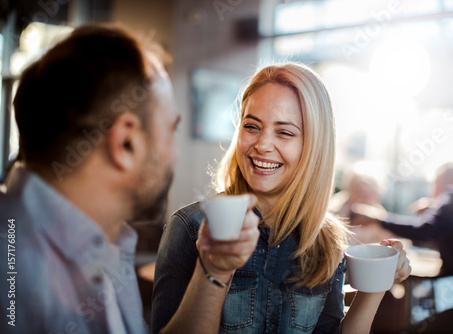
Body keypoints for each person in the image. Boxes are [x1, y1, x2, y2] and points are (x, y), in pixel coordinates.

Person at [0, 24, 260, 334]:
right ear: (126, 143)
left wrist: (214, 268)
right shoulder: (12, 271)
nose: (175, 152)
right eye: (171, 131)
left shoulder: (106, 244)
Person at [152, 62, 411, 334]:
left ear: (313, 146)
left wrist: (377, 282)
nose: (262, 145)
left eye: (285, 132)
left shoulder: (325, 240)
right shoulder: (191, 226)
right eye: (252, 126)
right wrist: (213, 272)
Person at [351, 163, 453, 332]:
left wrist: (378, 218)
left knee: (417, 329)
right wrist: (435, 208)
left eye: (433, 186)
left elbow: (424, 230)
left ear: (441, 182)